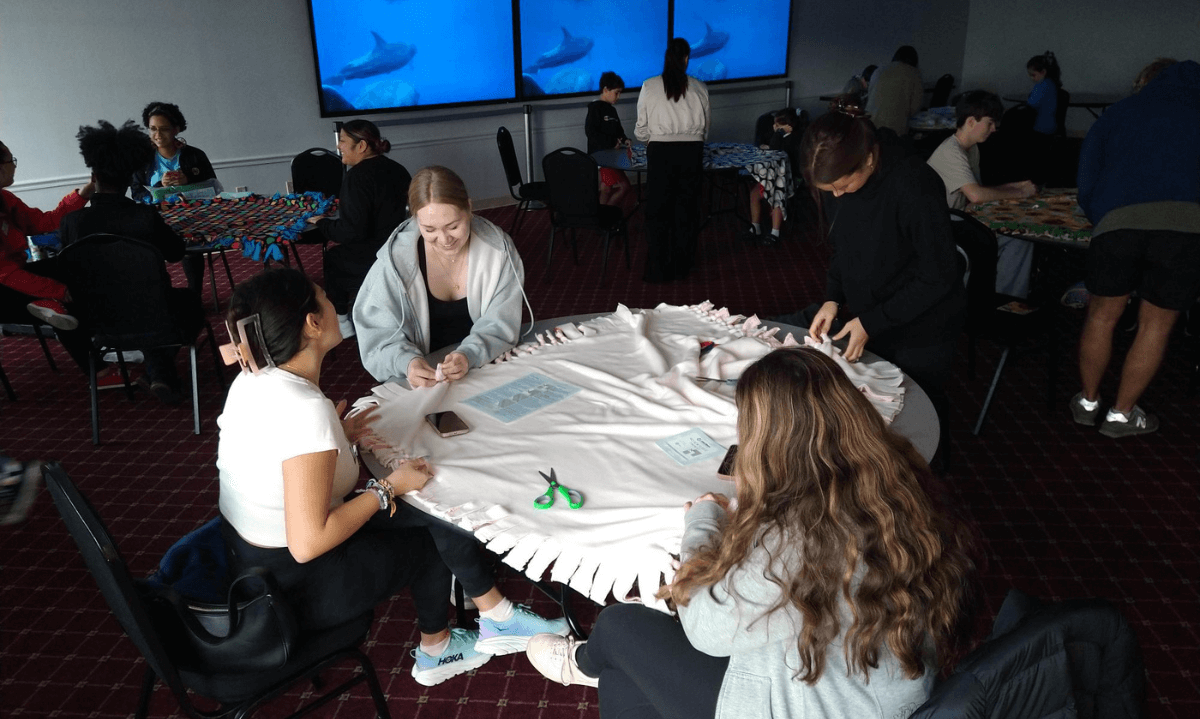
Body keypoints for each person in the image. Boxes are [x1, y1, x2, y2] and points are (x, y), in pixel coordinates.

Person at [525, 347, 977, 719]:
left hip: (817, 705)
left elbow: (705, 630)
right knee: (627, 674)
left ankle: (587, 661)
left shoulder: (800, 537)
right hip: (879, 684)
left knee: (622, 626)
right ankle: (601, 665)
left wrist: (702, 521)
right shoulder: (896, 477)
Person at [217, 268, 567, 686]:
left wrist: (338, 439)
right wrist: (388, 487)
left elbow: (281, 460)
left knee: (428, 507)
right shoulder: (303, 408)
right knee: (429, 525)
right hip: (295, 586)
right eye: (324, 297)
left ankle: (495, 614)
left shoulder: (254, 380)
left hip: (245, 558)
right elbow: (307, 544)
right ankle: (438, 650)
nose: (333, 305)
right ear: (312, 323)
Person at [793, 99, 964, 467]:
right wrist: (833, 299)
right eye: (828, 190)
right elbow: (843, 247)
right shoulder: (845, 183)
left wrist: (873, 321)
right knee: (876, 407)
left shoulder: (914, 183)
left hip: (925, 321)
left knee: (919, 412)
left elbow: (939, 275)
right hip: (874, 312)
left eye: (841, 185)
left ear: (868, 160)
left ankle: (935, 478)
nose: (836, 195)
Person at [1072, 59, 1200, 438]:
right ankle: (1121, 415)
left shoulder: (1120, 113)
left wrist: (1105, 217)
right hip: (1186, 229)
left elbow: (1086, 179)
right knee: (1155, 326)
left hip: (1119, 224)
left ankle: (1088, 401)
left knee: (1101, 316)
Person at [58, 119, 202, 404]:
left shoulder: (71, 222)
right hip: (156, 315)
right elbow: (175, 253)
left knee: (132, 304)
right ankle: (160, 373)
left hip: (97, 321)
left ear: (93, 176)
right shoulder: (144, 217)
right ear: (129, 178)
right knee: (187, 303)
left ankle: (159, 374)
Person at [354, 165, 527, 387]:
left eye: (453, 226)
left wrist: (469, 354)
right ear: (415, 219)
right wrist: (407, 362)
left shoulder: (498, 250)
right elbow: (377, 335)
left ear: (469, 208)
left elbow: (502, 322)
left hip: (486, 365)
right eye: (429, 230)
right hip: (423, 380)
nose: (444, 239)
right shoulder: (395, 261)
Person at [926, 91, 1037, 297]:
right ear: (970, 121)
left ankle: (1002, 299)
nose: (994, 129)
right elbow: (976, 196)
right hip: (941, 229)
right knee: (1017, 238)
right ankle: (1003, 300)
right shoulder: (951, 152)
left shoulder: (971, 148)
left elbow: (979, 192)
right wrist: (1018, 192)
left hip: (958, 220)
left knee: (1019, 238)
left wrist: (1015, 188)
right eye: (990, 123)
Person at [307, 119, 411, 338]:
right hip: (402, 249)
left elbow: (351, 233)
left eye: (343, 140)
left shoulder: (357, 176)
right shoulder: (398, 169)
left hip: (375, 256)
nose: (338, 146)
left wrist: (322, 223)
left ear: (361, 146)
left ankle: (342, 322)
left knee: (333, 258)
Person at [0, 140, 94, 340]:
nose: (14, 165)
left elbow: (44, 222)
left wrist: (83, 194)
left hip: (14, 275)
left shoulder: (6, 199)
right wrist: (59, 291)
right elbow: (5, 274)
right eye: (11, 160)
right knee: (64, 304)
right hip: (4, 290)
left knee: (71, 264)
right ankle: (100, 369)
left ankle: (46, 302)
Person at [634, 38, 710, 283]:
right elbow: (705, 130)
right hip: (691, 152)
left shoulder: (649, 85)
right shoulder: (700, 87)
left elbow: (641, 129)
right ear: (687, 58)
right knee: (686, 210)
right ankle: (682, 265)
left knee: (657, 211)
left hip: (660, 153)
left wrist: (652, 140)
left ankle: (657, 266)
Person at [130, 102, 218, 292]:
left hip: (191, 218)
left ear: (176, 129)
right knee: (145, 248)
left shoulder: (194, 155)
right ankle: (162, 295)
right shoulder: (142, 159)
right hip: (156, 219)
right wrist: (158, 187)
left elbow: (213, 188)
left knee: (190, 240)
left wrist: (188, 180)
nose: (158, 135)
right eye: (153, 129)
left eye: (164, 129)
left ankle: (195, 295)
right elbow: (136, 193)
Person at [745, 108, 802, 246]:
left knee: (777, 196)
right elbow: (769, 144)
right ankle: (756, 226)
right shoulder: (780, 137)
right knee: (754, 195)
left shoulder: (795, 139)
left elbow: (776, 150)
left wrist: (778, 134)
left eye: (777, 126)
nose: (773, 128)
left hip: (789, 180)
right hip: (773, 177)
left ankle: (774, 232)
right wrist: (773, 139)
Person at [585, 71, 633, 208]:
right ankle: (609, 217)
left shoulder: (612, 110)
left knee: (606, 188)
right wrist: (612, 142)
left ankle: (602, 218)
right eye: (616, 92)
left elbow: (618, 130)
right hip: (602, 158)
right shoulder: (595, 109)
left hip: (612, 158)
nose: (618, 96)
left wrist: (624, 140)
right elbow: (591, 133)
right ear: (605, 90)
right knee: (624, 187)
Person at [865, 46, 924, 137]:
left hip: (870, 125)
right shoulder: (914, 73)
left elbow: (870, 95)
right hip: (893, 131)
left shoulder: (878, 70)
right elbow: (915, 108)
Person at [1026, 52, 1062, 136]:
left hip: (1041, 126)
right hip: (1051, 125)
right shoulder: (1051, 84)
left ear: (1043, 72)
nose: (1031, 78)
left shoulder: (1041, 86)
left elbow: (1032, 103)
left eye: (1033, 75)